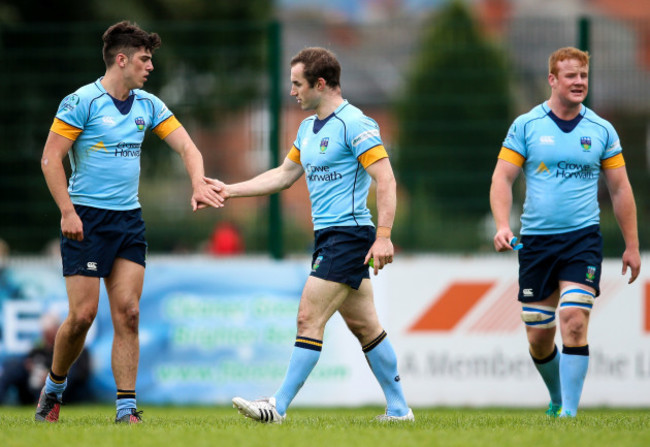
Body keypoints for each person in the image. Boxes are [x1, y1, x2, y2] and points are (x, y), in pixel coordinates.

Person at [204, 47, 413, 424]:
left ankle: (277, 406)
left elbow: (386, 179)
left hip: (349, 235)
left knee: (307, 318)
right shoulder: (306, 128)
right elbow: (284, 175)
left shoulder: (356, 123)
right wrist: (229, 190)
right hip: (328, 237)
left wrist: (383, 236)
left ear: (320, 83)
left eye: (297, 84)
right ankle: (399, 410)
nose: (292, 92)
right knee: (366, 326)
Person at [38, 21, 223, 424]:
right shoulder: (80, 102)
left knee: (130, 313)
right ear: (121, 60)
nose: (150, 66)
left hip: (128, 221)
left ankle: (126, 410)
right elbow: (51, 160)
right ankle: (53, 388)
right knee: (82, 317)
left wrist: (196, 181)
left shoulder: (149, 105)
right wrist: (67, 212)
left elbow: (187, 146)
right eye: (144, 58)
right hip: (85, 220)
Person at [489, 47, 641, 418]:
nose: (579, 83)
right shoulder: (526, 126)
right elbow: (502, 178)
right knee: (539, 337)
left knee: (573, 319)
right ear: (552, 80)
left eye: (583, 76)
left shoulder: (602, 130)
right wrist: (503, 224)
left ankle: (570, 415)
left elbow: (620, 189)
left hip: (582, 241)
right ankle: (558, 398)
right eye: (571, 76)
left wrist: (632, 245)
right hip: (537, 244)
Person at [0, 312, 92, 405]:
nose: (47, 337)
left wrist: (52, 377)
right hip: (35, 389)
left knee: (71, 370)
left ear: (58, 330)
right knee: (13, 366)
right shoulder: (38, 350)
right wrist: (30, 367)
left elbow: (81, 374)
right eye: (45, 334)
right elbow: (26, 364)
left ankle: (49, 400)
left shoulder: (76, 348)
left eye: (49, 333)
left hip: (66, 392)